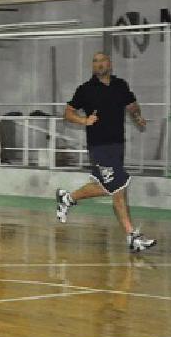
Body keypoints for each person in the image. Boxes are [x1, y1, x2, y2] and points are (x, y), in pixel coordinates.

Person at [56, 52, 156, 252]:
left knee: (109, 187)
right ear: (93, 66)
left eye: (102, 60)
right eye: (95, 61)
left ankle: (68, 198)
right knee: (118, 188)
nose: (99, 64)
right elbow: (67, 112)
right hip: (99, 146)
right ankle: (132, 236)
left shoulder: (121, 85)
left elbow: (132, 105)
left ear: (109, 63)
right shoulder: (85, 90)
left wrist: (137, 116)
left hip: (118, 145)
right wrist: (84, 120)